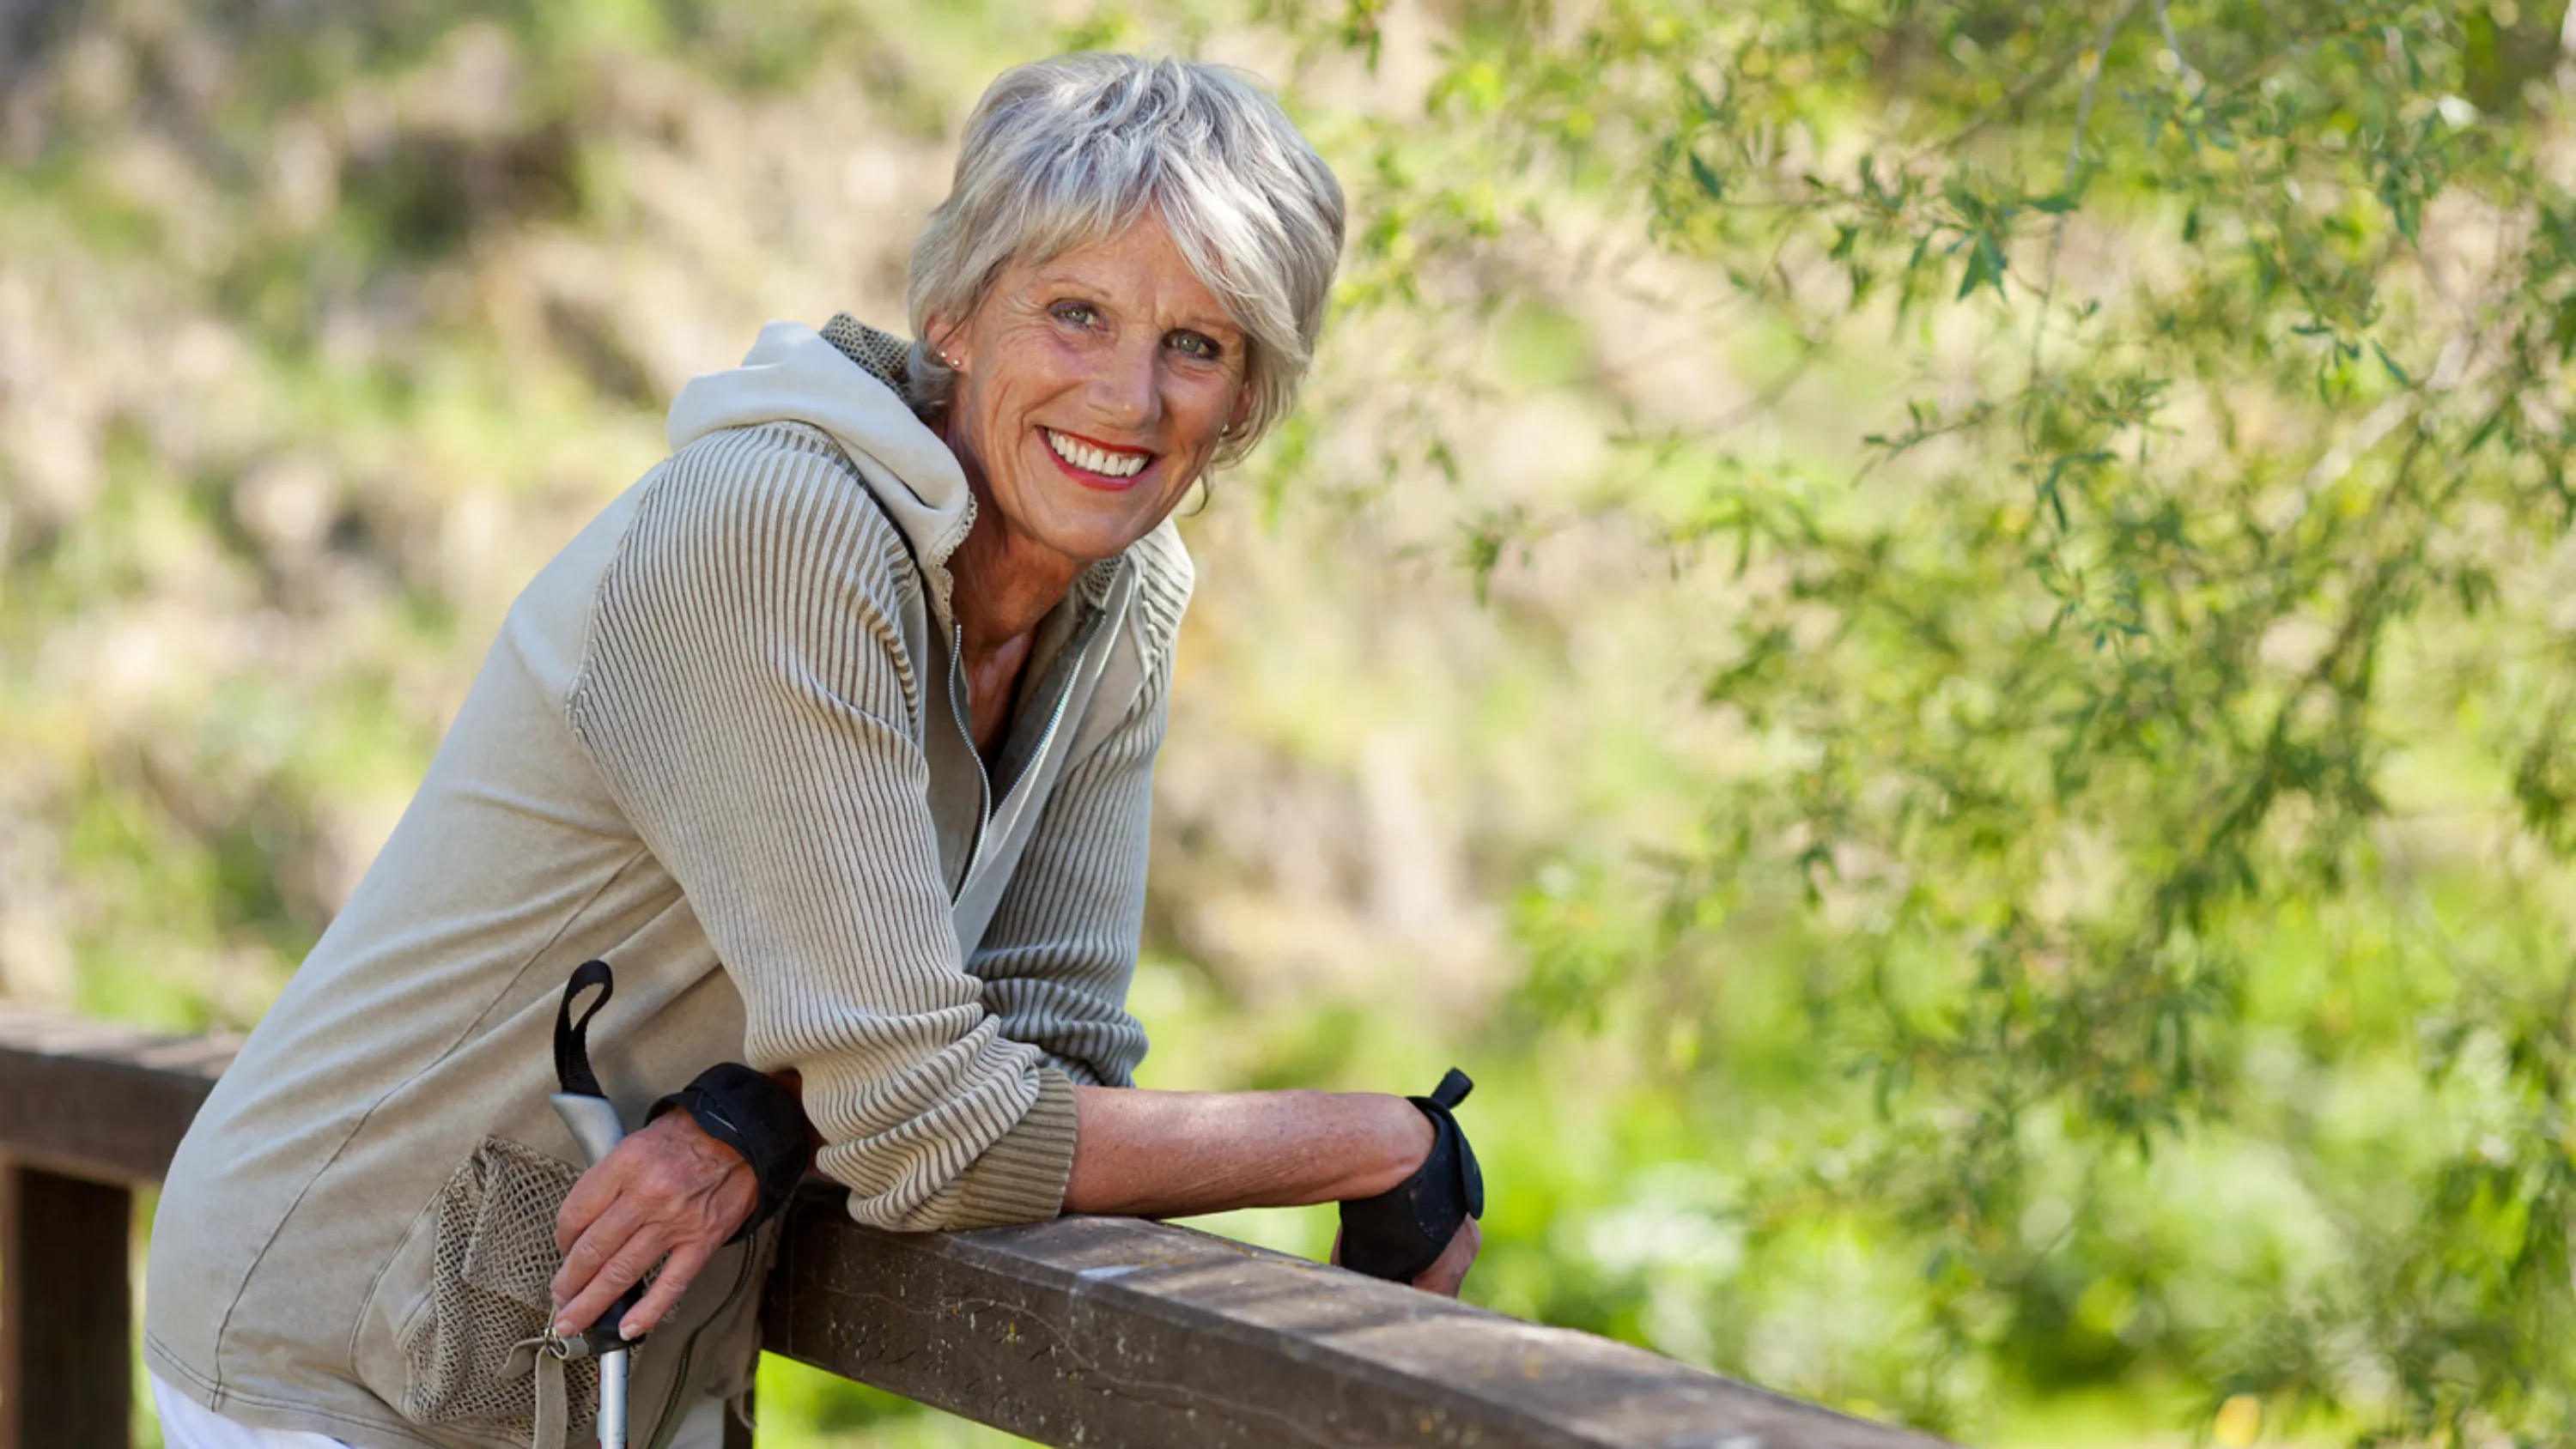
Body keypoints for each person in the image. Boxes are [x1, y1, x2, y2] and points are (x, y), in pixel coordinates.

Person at [143, 51, 1482, 1449]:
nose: (1130, 402)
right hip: (336, 1336)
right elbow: (933, 1125)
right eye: (1075, 314)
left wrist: (761, 1121)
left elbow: (1052, 1052)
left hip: (610, 1357)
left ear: (1248, 394)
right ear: (954, 313)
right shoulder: (781, 531)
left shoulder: (1123, 600)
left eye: (1195, 346)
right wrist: (1374, 1139)